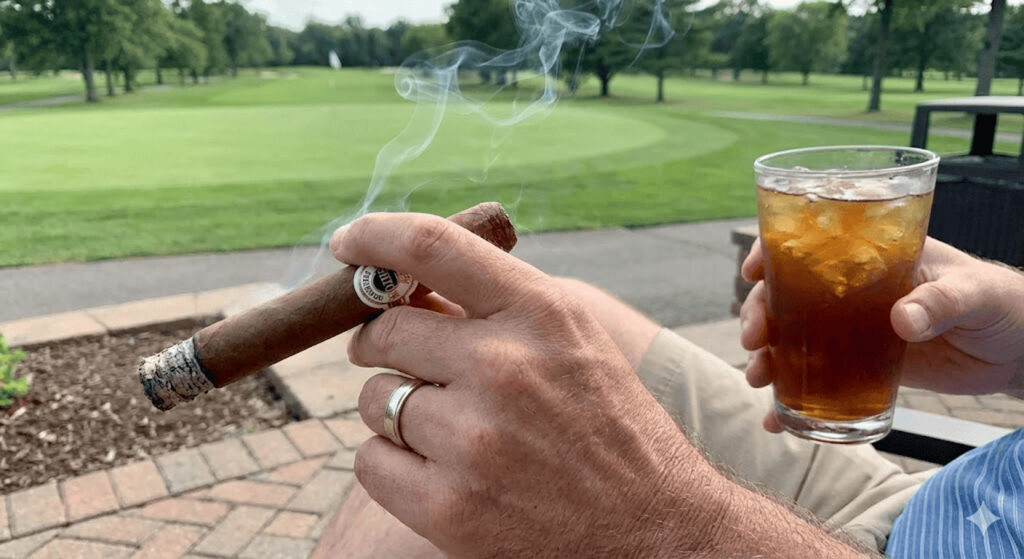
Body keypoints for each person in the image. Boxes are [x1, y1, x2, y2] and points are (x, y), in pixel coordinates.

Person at [312, 211, 1024, 558]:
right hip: (943, 505)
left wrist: (667, 525)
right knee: (536, 333)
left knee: (484, 449)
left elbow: (666, 524)